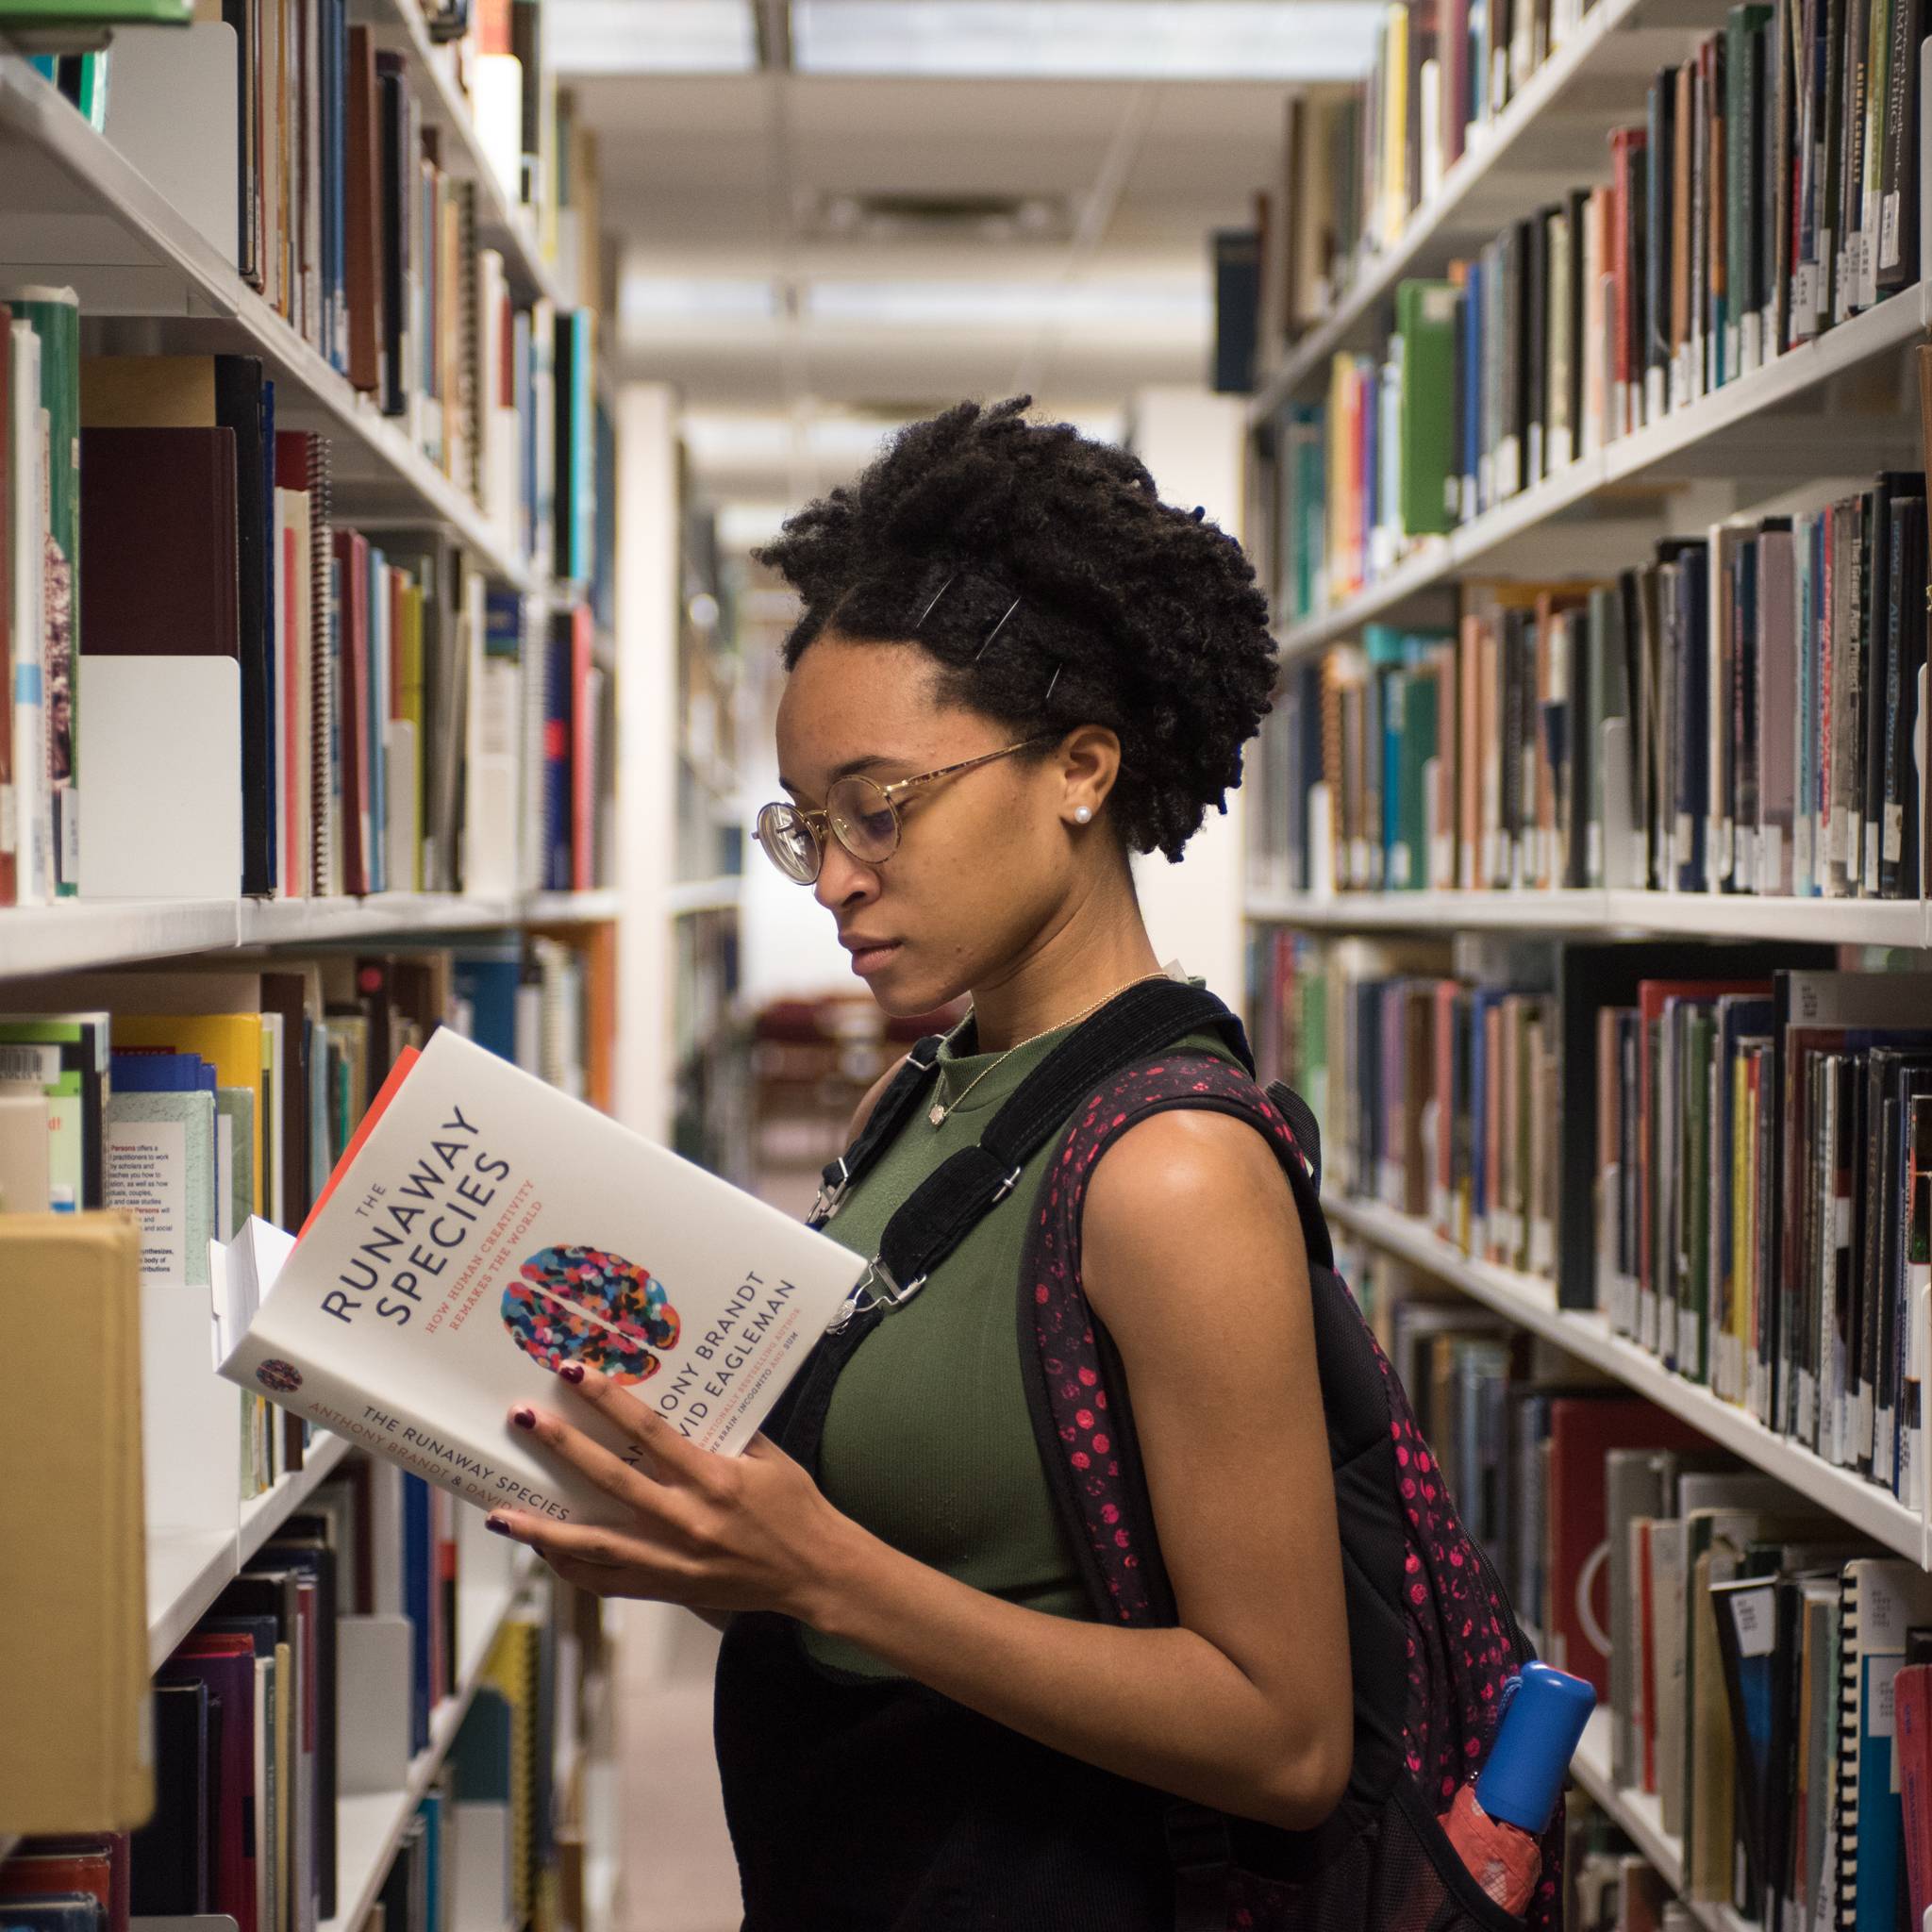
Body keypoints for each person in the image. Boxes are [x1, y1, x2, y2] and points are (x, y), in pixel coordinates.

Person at [485, 398, 1353, 1928]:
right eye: (803, 825)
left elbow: (1283, 1740)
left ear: (1081, 767)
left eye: (878, 808)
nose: (831, 877)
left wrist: (824, 1578)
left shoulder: (1170, 1170)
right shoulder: (932, 1088)